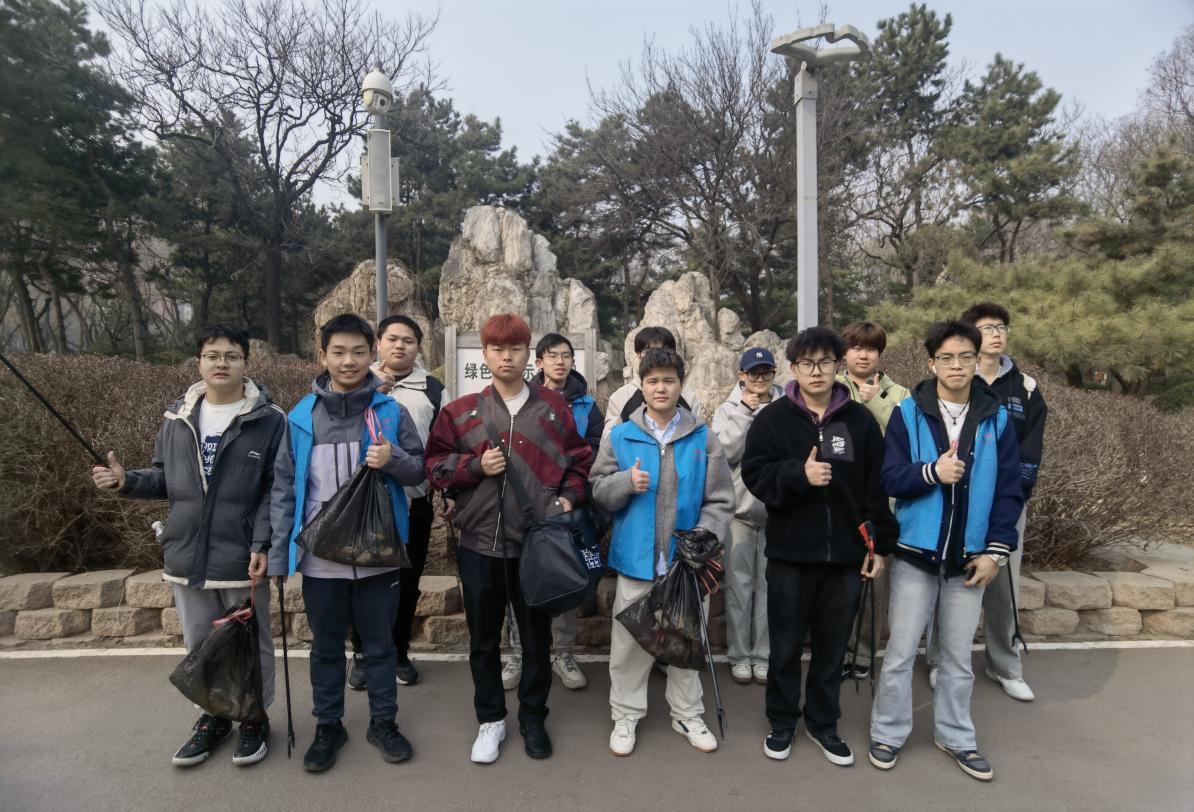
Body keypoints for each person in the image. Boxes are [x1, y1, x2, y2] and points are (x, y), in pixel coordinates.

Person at [92, 323, 285, 767]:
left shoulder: (269, 419)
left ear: (246, 363)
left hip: (242, 555)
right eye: (212, 355)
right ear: (199, 363)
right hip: (187, 554)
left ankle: (253, 718)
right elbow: (165, 478)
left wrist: (262, 544)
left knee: (249, 643)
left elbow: (275, 489)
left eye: (232, 356)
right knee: (200, 643)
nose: (222, 363)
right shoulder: (177, 417)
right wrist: (126, 481)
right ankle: (214, 716)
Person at [424, 314, 594, 765]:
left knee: (536, 640)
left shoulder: (554, 409)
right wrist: (474, 467)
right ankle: (490, 720)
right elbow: (435, 465)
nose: (506, 356)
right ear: (485, 354)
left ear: (527, 354)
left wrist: (567, 500)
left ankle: (533, 717)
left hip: (536, 545)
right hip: (480, 544)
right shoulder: (460, 412)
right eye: (497, 349)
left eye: (515, 348)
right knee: (483, 640)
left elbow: (579, 460)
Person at [269, 314, 426, 773]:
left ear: (371, 353)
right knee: (326, 647)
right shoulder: (300, 417)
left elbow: (419, 471)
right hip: (321, 558)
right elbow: (283, 489)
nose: (349, 361)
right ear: (322, 356)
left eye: (358, 352)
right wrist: (279, 553)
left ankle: (384, 722)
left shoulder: (390, 412)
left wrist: (392, 458)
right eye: (338, 352)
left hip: (379, 553)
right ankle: (328, 725)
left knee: (380, 645)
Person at [868, 321, 1023, 782]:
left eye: (965, 357)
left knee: (957, 658)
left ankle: (956, 736)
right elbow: (889, 477)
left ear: (978, 360)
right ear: (931, 363)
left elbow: (1009, 490)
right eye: (947, 358)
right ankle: (888, 732)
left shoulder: (996, 418)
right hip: (915, 555)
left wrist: (995, 552)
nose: (957, 366)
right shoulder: (909, 413)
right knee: (900, 653)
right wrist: (931, 472)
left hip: (969, 560)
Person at [740, 327, 897, 766]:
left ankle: (823, 723)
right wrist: (798, 475)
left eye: (825, 362)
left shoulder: (859, 421)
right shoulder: (773, 419)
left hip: (846, 556)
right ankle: (782, 720)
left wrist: (879, 545)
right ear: (793, 368)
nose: (816, 371)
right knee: (785, 646)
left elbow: (876, 488)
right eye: (807, 363)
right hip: (790, 554)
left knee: (832, 647)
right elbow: (755, 475)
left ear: (837, 366)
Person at [590, 347, 734, 757]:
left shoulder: (702, 436)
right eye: (652, 380)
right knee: (629, 646)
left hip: (686, 564)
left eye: (669, 380)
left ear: (680, 384)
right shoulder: (620, 435)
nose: (660, 388)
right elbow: (598, 490)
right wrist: (624, 482)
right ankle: (625, 714)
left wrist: (703, 537)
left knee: (685, 643)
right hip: (636, 561)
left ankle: (687, 713)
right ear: (641, 385)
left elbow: (721, 499)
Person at [926, 302, 1045, 702]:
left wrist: (1012, 499)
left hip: (1006, 503)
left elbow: (1030, 450)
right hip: (953, 499)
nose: (996, 333)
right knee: (947, 579)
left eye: (1001, 327)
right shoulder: (955, 378)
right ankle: (939, 660)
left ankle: (1005, 664)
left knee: (1003, 585)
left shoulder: (1025, 387)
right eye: (986, 327)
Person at [345, 315, 446, 690]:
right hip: (360, 505)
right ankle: (361, 655)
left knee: (406, 582)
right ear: (378, 344)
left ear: (419, 347)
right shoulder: (354, 382)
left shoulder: (433, 390)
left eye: (408, 340)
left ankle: (399, 652)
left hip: (412, 503)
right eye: (392, 339)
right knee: (360, 582)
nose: (399, 345)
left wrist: (448, 493)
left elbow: (442, 449)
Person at [502, 332, 604, 693]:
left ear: (573, 361)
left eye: (566, 356)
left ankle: (563, 653)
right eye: (552, 355)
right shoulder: (523, 398)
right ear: (539, 362)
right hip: (525, 502)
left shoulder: (588, 405)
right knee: (521, 577)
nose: (560, 362)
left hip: (567, 503)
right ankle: (518, 652)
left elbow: (591, 451)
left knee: (565, 573)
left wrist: (568, 491)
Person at [836, 321, 911, 681]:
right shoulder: (834, 388)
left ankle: (863, 651)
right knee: (838, 583)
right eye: (855, 348)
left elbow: (904, 438)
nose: (863, 355)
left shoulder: (899, 394)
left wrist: (875, 402)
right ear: (845, 353)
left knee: (875, 581)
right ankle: (836, 648)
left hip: (882, 500)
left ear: (880, 354)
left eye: (870, 349)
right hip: (841, 498)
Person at [711, 347, 783, 687]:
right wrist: (744, 412)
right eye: (754, 372)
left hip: (777, 513)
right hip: (739, 513)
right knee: (739, 588)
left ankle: (763, 655)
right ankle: (739, 655)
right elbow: (724, 453)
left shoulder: (785, 408)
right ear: (742, 375)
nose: (760, 378)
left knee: (769, 589)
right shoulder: (727, 409)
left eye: (766, 372)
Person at [603, 326, 702, 437]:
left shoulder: (688, 397)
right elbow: (610, 440)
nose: (655, 356)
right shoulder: (621, 398)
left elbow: (700, 437)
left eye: (663, 350)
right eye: (648, 351)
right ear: (638, 355)